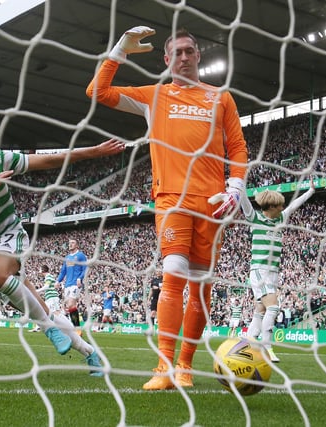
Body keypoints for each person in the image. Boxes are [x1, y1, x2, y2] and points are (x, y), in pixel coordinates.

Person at [87, 27, 249, 390]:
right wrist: (119, 51)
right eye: (177, 52)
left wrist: (235, 188)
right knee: (172, 272)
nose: (185, 57)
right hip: (172, 198)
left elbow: (237, 147)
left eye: (190, 51)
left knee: (202, 286)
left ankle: (186, 366)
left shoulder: (220, 98)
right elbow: (97, 92)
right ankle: (163, 367)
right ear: (166, 59)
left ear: (198, 55)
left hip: (212, 203)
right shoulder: (153, 96)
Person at [0, 111, 125, 357]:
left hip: (8, 233)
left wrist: (94, 151)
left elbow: (47, 161)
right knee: (41, 308)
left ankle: (49, 330)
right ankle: (90, 353)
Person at [240, 178, 315, 363]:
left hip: (273, 273)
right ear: (271, 207)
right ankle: (266, 346)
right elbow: (245, 202)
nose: (283, 208)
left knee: (260, 310)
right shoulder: (255, 218)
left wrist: (310, 191)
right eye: (279, 206)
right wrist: (240, 184)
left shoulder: (281, 218)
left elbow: (295, 205)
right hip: (259, 270)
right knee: (273, 307)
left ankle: (245, 344)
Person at [35, 264, 103, 376]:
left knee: (53, 315)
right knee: (50, 315)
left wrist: (36, 291)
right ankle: (90, 350)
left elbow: (48, 286)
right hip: (50, 298)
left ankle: (60, 331)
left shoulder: (48, 276)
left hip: (52, 298)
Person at [57, 239, 87, 332]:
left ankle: (77, 329)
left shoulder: (81, 256)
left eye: (73, 243)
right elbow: (63, 271)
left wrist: (80, 278)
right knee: (69, 307)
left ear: (77, 245)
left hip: (75, 283)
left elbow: (85, 268)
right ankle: (76, 329)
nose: (70, 244)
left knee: (71, 304)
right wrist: (58, 281)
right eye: (69, 243)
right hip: (67, 285)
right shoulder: (67, 258)